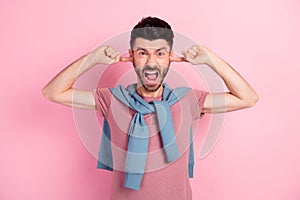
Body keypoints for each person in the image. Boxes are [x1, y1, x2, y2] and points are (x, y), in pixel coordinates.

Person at [42, 16, 258, 200]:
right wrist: (92, 59)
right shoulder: (112, 99)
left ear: (171, 57)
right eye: (143, 52)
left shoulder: (188, 100)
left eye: (160, 53)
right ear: (131, 56)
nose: (151, 62)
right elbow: (52, 92)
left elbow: (247, 98)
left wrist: (211, 60)